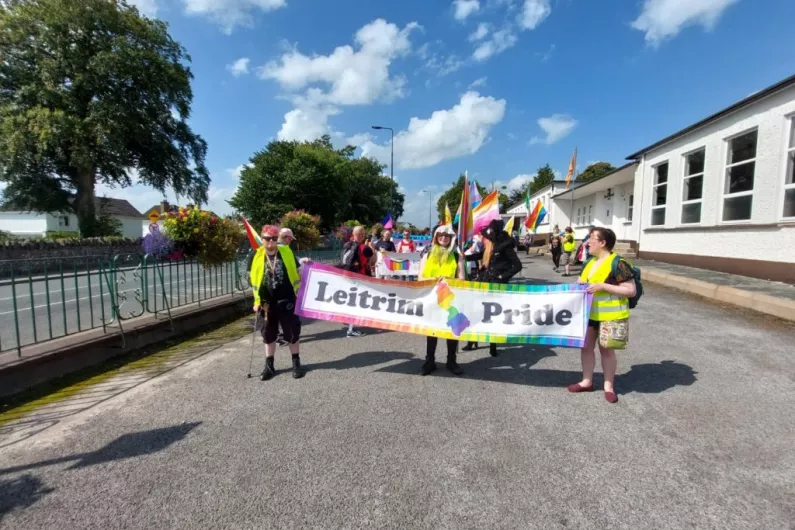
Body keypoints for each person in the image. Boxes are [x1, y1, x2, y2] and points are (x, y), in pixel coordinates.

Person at [568, 227, 636, 404]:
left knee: (606, 350)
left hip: (610, 316)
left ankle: (608, 386)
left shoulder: (618, 263)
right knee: (586, 348)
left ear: (603, 243)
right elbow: (584, 284)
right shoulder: (590, 262)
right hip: (589, 315)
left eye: (591, 238)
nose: (587, 242)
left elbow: (630, 290)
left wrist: (603, 286)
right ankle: (587, 381)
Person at [250, 225, 311, 381]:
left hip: (288, 299)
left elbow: (298, 270)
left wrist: (309, 269)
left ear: (277, 239)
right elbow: (254, 281)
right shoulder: (256, 256)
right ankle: (269, 366)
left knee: (292, 332)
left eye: (274, 238)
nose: (271, 241)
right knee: (268, 335)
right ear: (262, 239)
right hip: (266, 302)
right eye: (267, 238)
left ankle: (296, 363)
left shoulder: (286, 251)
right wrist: (256, 301)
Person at [466, 219, 523, 357]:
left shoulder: (505, 247)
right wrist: (465, 257)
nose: (484, 239)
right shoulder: (489, 246)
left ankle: (493, 344)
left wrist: (502, 277)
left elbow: (517, 266)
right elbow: (481, 255)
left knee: (492, 315)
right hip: (484, 281)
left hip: (496, 285)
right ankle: (472, 340)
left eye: (487, 236)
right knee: (477, 311)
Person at [418, 224, 466, 376]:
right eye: (440, 235)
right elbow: (420, 277)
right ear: (436, 237)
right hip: (432, 298)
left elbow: (462, 278)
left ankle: (451, 361)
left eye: (446, 236)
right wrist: (433, 279)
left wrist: (449, 279)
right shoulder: (427, 253)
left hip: (451, 298)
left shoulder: (457, 255)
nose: (443, 238)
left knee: (451, 330)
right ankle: (429, 361)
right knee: (432, 330)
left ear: (451, 238)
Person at [340, 226, 373, 337]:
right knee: (356, 303)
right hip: (359, 278)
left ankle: (350, 325)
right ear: (363, 235)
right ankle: (351, 329)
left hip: (348, 277)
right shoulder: (365, 248)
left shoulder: (346, 245)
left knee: (351, 301)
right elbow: (373, 260)